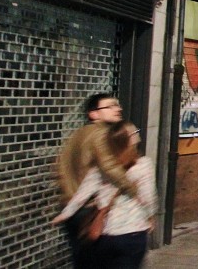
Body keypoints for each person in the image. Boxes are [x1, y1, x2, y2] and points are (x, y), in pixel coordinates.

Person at [53, 121, 156, 269]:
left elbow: (82, 194)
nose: (137, 134)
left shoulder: (101, 169)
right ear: (131, 140)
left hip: (106, 233)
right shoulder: (144, 165)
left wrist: (65, 214)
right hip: (133, 233)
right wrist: (150, 216)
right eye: (135, 132)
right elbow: (148, 198)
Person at [55, 93, 138, 267]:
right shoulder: (101, 134)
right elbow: (109, 167)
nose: (118, 109)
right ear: (94, 114)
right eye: (110, 106)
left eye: (117, 105)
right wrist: (133, 189)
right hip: (90, 208)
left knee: (83, 261)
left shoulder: (78, 134)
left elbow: (60, 167)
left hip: (71, 205)